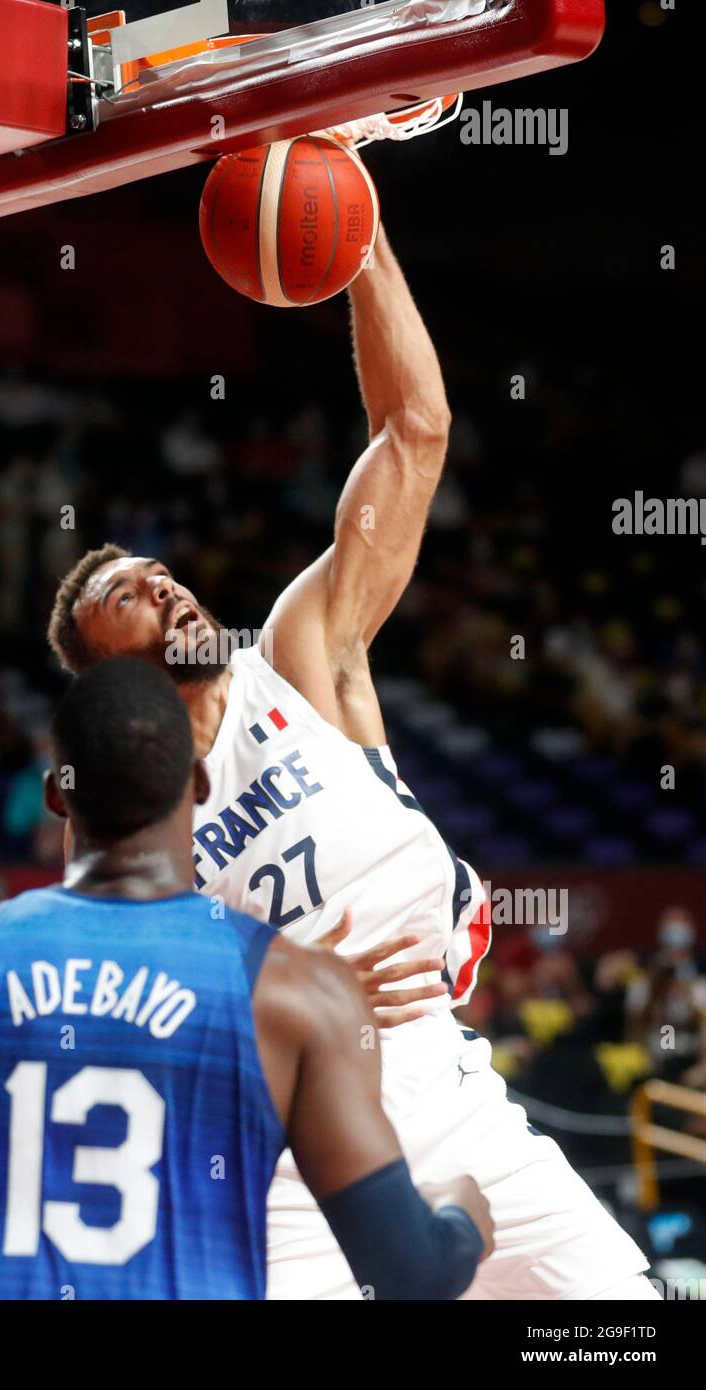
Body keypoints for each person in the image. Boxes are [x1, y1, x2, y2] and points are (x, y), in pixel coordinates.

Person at [46, 210, 658, 1300]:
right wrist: (290, 985)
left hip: (440, 1072)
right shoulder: (116, 808)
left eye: (157, 568)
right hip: (280, 1136)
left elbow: (414, 429)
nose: (164, 584)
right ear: (104, 674)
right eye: (126, 596)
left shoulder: (296, 654)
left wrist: (356, 226)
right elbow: (107, 1006)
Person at [0, 657, 491, 1300]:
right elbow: (413, 1276)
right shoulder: (293, 994)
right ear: (198, 783)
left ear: (56, 795)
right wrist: (461, 1213)